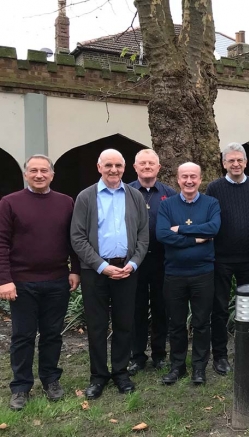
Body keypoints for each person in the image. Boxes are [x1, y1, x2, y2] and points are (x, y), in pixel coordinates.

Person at [0, 155, 81, 411]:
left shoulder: (65, 202)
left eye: (43, 170)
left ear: (52, 175)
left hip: (57, 281)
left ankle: (50, 380)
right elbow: (1, 243)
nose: (38, 175)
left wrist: (75, 270)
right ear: (26, 174)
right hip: (21, 283)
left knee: (52, 335)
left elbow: (73, 240)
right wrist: (4, 280)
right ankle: (21, 387)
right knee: (22, 337)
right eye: (33, 170)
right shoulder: (9, 203)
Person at [70, 149, 149, 400]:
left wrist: (134, 263)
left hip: (127, 270)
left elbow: (143, 236)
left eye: (118, 165)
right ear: (99, 166)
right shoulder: (86, 197)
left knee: (125, 324)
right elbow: (78, 237)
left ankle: (120, 373)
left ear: (124, 168)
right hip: (95, 272)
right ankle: (98, 376)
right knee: (97, 326)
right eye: (108, 165)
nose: (113, 170)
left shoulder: (134, 196)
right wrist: (102, 266)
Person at [157, 163, 221, 385]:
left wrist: (181, 229)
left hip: (203, 273)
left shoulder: (211, 203)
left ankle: (199, 368)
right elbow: (163, 235)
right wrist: (196, 238)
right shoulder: (167, 206)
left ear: (200, 179)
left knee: (202, 322)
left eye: (193, 177)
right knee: (176, 323)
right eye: (184, 177)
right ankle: (177, 367)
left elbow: (213, 229)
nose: (189, 181)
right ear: (178, 179)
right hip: (174, 274)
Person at [205, 143, 249, 376]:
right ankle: (219, 356)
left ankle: (246, 352)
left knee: (247, 308)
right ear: (224, 164)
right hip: (220, 258)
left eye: (239, 160)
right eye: (231, 161)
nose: (236, 164)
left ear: (246, 163)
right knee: (218, 308)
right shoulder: (214, 188)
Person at [127, 149, 177, 376]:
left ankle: (159, 355)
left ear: (158, 167)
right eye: (142, 163)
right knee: (135, 309)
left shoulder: (170, 193)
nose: (147, 166)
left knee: (160, 308)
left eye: (151, 163)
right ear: (135, 167)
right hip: (133, 261)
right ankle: (136, 356)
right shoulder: (125, 192)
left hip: (162, 260)